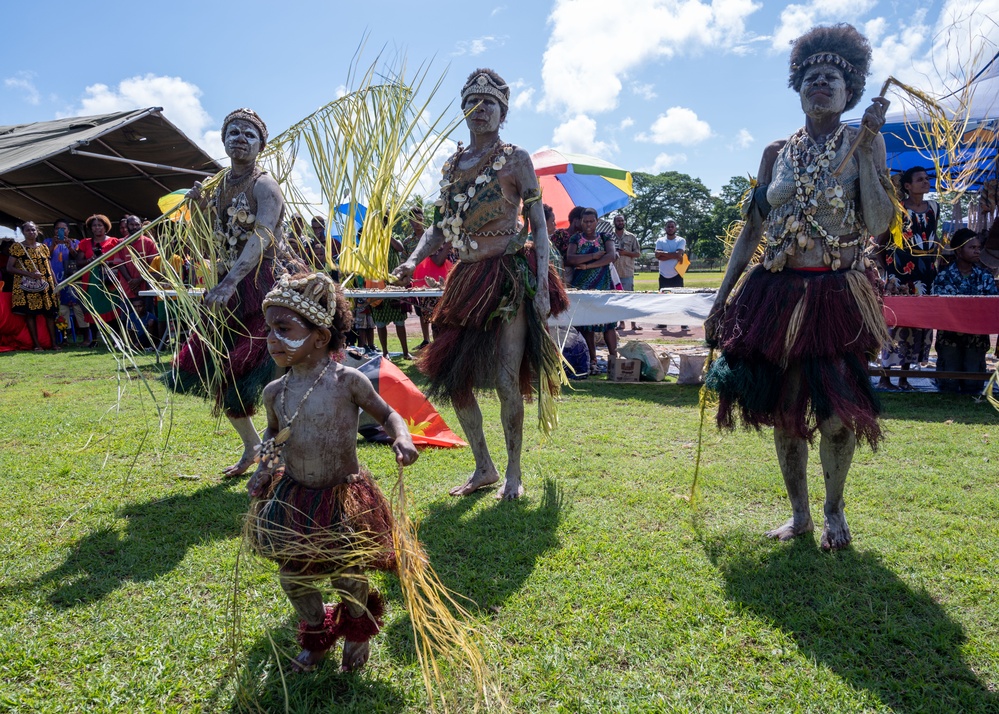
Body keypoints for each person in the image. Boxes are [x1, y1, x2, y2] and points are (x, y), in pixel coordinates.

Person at [704, 23, 894, 551]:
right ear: (798, 87)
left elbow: (878, 223)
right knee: (787, 416)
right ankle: (801, 514)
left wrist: (867, 157)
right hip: (778, 293)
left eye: (832, 76)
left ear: (849, 90)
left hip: (836, 295)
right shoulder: (775, 153)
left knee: (836, 418)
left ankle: (835, 512)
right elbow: (751, 232)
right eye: (811, 75)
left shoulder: (866, 142)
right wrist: (721, 300)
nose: (821, 82)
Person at [393, 68, 568, 499]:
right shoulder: (452, 165)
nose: (481, 109)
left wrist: (544, 287)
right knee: (454, 379)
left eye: (490, 103)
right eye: (473, 102)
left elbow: (539, 226)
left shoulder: (516, 159)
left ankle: (513, 472)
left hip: (508, 276)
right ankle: (483, 467)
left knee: (508, 380)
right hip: (466, 278)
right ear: (464, 110)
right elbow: (438, 227)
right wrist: (412, 262)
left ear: (502, 111)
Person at [246, 271, 418, 673]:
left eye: (284, 329)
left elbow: (389, 413)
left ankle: (357, 636)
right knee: (294, 577)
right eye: (269, 329)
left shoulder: (348, 382)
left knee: (347, 575)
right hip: (296, 497)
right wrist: (265, 471)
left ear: (320, 338)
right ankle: (315, 635)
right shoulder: (275, 392)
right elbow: (275, 437)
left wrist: (402, 437)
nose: (272, 339)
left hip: (342, 498)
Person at [165, 108, 302, 477]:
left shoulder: (265, 185)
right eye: (234, 132)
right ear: (223, 139)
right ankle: (252, 448)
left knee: (268, 377)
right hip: (227, 291)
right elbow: (209, 239)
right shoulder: (219, 185)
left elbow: (262, 236)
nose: (240, 138)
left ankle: (283, 459)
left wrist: (230, 282)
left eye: (249, 134)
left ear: (261, 145)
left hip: (263, 288)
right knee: (214, 371)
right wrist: (198, 208)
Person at [875, 165, 942, 389]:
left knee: (918, 325)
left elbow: (932, 237)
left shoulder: (934, 207)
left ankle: (904, 379)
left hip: (926, 276)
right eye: (920, 179)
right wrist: (889, 270)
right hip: (899, 278)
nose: (925, 182)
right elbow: (880, 242)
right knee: (895, 324)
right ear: (907, 185)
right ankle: (885, 378)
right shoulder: (897, 209)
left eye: (927, 178)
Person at [930, 229, 999, 393]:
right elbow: (939, 308)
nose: (977, 251)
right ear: (959, 251)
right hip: (949, 339)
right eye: (972, 248)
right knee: (948, 385)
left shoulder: (984, 277)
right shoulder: (943, 277)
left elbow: (992, 307)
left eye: (978, 247)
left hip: (976, 340)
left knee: (972, 385)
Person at [567, 207, 619, 374]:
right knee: (587, 324)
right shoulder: (576, 238)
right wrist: (594, 256)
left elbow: (611, 256)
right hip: (582, 285)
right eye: (585, 221)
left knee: (608, 323)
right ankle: (592, 360)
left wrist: (588, 265)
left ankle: (614, 360)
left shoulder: (605, 237)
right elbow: (571, 258)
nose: (588, 224)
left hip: (603, 284)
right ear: (580, 222)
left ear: (597, 222)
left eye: (591, 221)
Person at [6, 221, 61, 350]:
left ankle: (54, 344)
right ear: (23, 232)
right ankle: (37, 345)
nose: (31, 232)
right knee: (30, 315)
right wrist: (29, 273)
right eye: (28, 230)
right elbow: (9, 267)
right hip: (27, 285)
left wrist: (56, 285)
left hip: (45, 284)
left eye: (33, 230)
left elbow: (49, 267)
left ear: (37, 231)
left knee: (50, 314)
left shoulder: (43, 247)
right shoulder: (17, 247)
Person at [72, 214, 123, 344]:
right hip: (91, 280)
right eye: (94, 226)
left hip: (108, 279)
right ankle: (94, 338)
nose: (97, 228)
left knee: (111, 307)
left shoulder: (114, 241)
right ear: (91, 228)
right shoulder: (85, 243)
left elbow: (119, 260)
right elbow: (79, 262)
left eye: (100, 225)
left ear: (105, 227)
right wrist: (91, 260)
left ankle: (115, 339)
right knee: (94, 309)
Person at [612, 213, 642, 331]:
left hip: (627, 272)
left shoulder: (631, 237)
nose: (620, 223)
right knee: (617, 300)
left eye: (622, 221)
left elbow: (638, 253)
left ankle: (634, 324)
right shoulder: (610, 236)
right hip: (614, 273)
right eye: (618, 221)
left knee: (630, 299)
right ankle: (621, 323)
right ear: (614, 222)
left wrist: (626, 253)